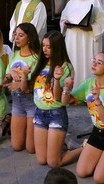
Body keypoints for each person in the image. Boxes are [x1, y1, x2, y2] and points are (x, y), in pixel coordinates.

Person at [61, 52, 104, 183]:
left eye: (99, 63)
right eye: (94, 60)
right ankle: (99, 156)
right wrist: (66, 87)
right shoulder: (89, 83)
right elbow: (66, 101)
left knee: (100, 179)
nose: (94, 64)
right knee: (82, 172)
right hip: (97, 132)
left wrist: (96, 100)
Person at [26, 30, 79, 167]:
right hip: (39, 112)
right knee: (41, 160)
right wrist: (22, 76)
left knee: (53, 163)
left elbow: (57, 98)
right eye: (43, 45)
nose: (44, 50)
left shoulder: (65, 67)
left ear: (57, 48)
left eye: (49, 47)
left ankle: (82, 149)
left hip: (56, 114)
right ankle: (58, 144)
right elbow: (29, 88)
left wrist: (56, 79)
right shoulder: (40, 62)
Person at [60, 0, 104, 89]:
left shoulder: (94, 1)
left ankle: (86, 91)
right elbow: (63, 19)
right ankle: (71, 90)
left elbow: (101, 22)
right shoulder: (71, 2)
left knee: (85, 63)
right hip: (71, 38)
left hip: (86, 38)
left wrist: (91, 27)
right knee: (72, 63)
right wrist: (64, 23)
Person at [4, 23, 40, 153]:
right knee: (17, 146)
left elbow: (37, 83)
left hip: (31, 102)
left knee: (31, 149)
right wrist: (10, 75)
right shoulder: (14, 54)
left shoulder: (36, 57)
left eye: (21, 35)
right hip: (17, 103)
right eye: (15, 35)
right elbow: (8, 74)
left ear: (29, 38)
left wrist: (19, 84)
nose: (16, 38)